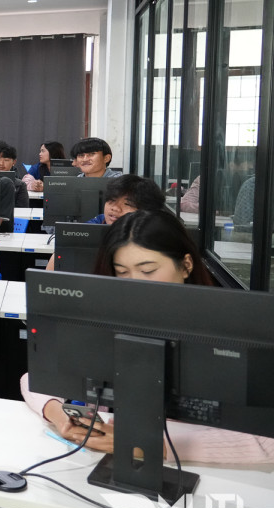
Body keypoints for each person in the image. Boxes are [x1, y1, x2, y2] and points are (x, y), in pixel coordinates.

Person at [22, 211, 274, 464]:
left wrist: (152, 446)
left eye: (148, 270)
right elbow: (37, 378)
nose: (134, 284)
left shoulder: (226, 329)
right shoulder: (112, 318)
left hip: (206, 471)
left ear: (186, 265)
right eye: (122, 272)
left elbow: (267, 441)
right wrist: (61, 417)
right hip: (107, 460)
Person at [44, 173, 166, 269]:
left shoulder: (155, 242)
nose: (115, 208)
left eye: (127, 204)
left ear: (147, 211)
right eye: (111, 201)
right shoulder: (100, 221)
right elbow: (65, 251)